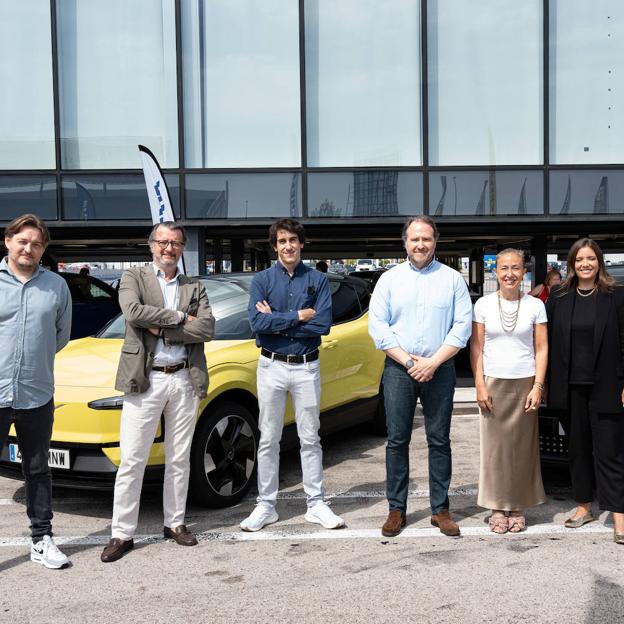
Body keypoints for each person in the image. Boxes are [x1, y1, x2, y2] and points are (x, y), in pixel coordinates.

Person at [101, 221, 215, 562]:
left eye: (176, 243)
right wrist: (182, 317)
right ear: (152, 246)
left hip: (183, 378)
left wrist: (164, 329)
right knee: (132, 459)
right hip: (145, 379)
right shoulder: (134, 277)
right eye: (163, 242)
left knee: (179, 457)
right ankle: (122, 533)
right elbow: (132, 312)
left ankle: (175, 523)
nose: (169, 249)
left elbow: (207, 327)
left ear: (181, 248)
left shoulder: (193, 284)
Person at [368, 216, 472, 537]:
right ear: (405, 242)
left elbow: (462, 327)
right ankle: (396, 509)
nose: (420, 245)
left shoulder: (453, 280)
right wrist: (409, 361)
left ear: (435, 242)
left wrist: (433, 361)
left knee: (439, 441)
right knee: (397, 441)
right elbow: (378, 327)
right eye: (414, 239)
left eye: (426, 239)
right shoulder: (389, 280)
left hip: (440, 369)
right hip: (399, 370)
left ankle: (440, 509)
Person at [240, 218, 344, 532]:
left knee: (310, 437)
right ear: (275, 246)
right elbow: (258, 325)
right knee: (268, 437)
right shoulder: (261, 281)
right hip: (271, 366)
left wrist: (277, 319)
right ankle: (266, 506)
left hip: (307, 366)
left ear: (301, 243)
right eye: (282, 241)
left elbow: (322, 324)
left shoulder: (317, 279)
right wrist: (298, 315)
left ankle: (316, 504)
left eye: (293, 240)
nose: (288, 246)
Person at [0, 214, 72, 569]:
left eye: (37, 244)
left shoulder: (56, 286)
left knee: (38, 468)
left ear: (43, 249)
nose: (29, 248)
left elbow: (60, 336)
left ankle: (42, 540)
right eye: (23, 241)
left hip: (37, 391)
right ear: (8, 241)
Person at [546, 238, 624, 545]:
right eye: (579, 260)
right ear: (571, 264)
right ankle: (583, 506)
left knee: (611, 450)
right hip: (570, 387)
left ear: (600, 262)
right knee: (577, 449)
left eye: (591, 259)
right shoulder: (559, 296)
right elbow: (545, 340)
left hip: (607, 386)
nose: (585, 264)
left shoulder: (616, 295)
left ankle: (619, 513)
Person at [470, 249, 548, 534]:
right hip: (493, 382)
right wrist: (479, 384)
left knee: (523, 449)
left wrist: (538, 386)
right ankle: (496, 506)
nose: (509, 274)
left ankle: (517, 505)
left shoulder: (535, 306)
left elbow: (541, 348)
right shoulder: (483, 305)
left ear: (523, 270)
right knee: (495, 450)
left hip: (525, 382)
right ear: (495, 272)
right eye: (504, 268)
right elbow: (477, 347)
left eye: (515, 268)